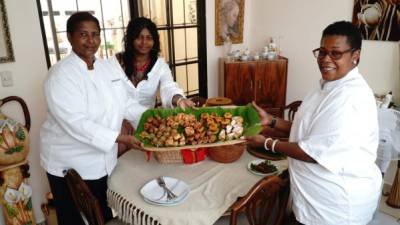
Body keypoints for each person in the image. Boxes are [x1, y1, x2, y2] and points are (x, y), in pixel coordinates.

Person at [245, 21, 382, 225]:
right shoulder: (326, 86)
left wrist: (266, 142)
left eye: (335, 53)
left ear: (355, 56)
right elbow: (310, 131)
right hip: (313, 198)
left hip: (335, 207)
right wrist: (272, 122)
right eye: (322, 52)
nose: (326, 59)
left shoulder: (350, 99)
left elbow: (312, 153)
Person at [40, 12, 147, 225]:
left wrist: (151, 117)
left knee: (102, 212)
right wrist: (121, 138)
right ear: (69, 37)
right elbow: (76, 123)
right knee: (74, 219)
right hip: (70, 161)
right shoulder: (60, 75)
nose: (91, 41)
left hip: (104, 158)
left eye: (95, 34)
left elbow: (124, 102)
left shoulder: (107, 68)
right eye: (83, 34)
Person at [114, 17, 195, 110]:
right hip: (117, 120)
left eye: (149, 38)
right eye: (138, 37)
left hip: (147, 121)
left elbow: (169, 87)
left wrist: (180, 99)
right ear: (131, 39)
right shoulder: (116, 62)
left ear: (154, 40)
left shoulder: (160, 65)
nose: (144, 42)